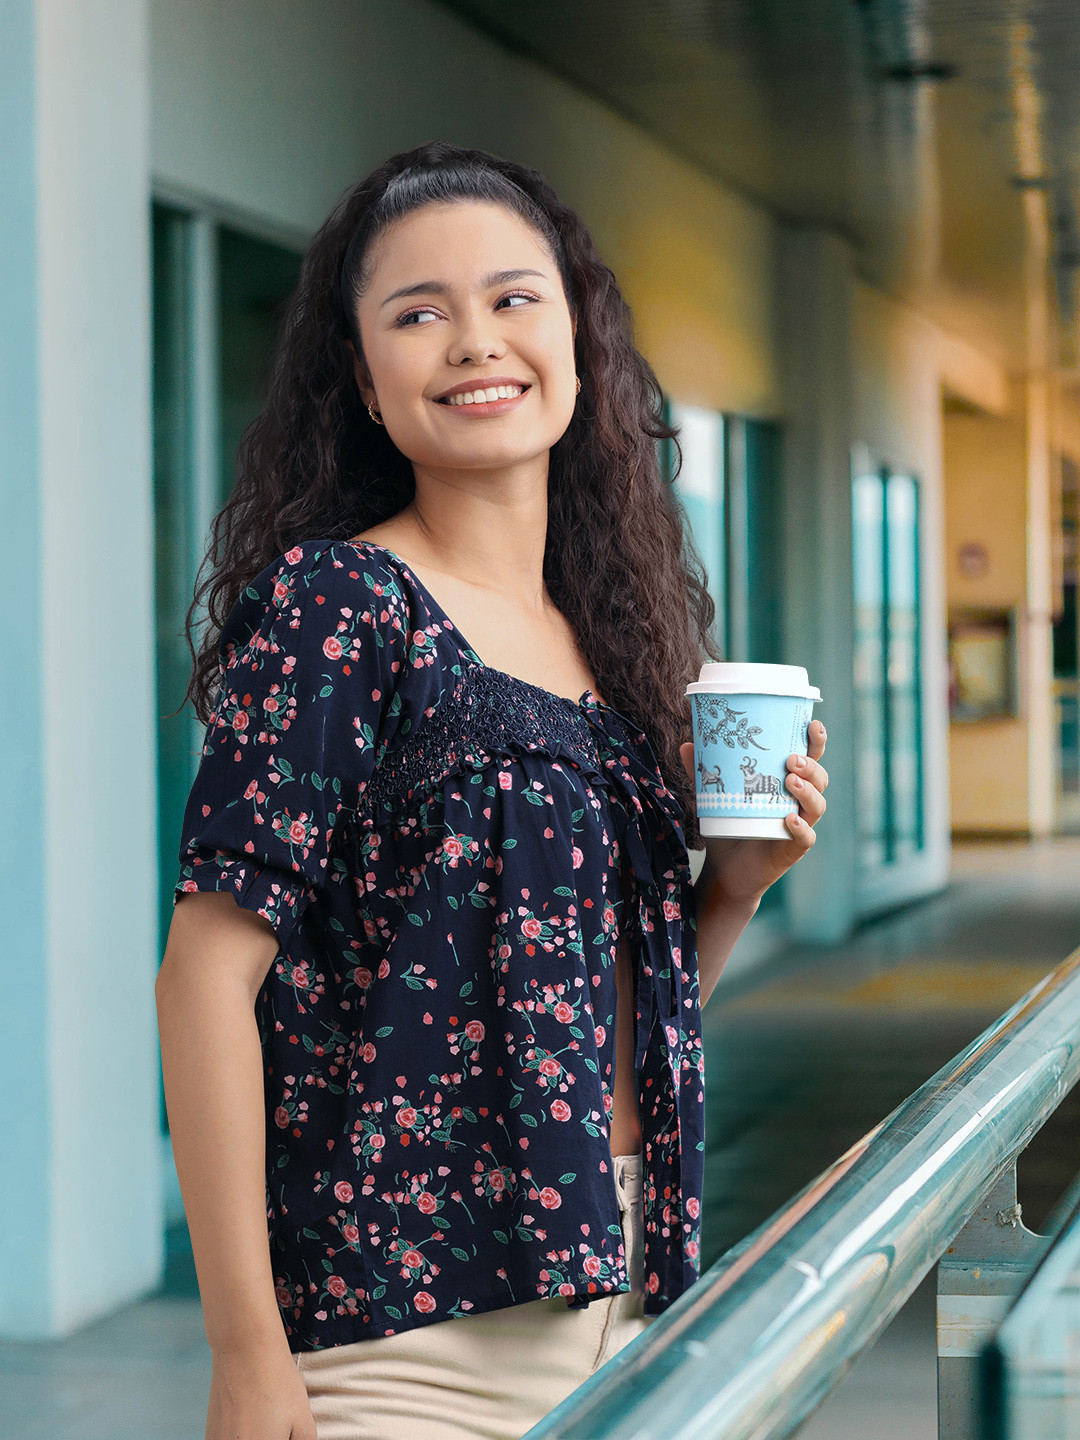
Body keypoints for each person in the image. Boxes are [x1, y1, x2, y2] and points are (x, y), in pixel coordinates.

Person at [155, 140, 828, 1440]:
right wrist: (246, 1352)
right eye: (420, 312)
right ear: (365, 380)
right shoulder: (344, 607)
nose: (475, 339)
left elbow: (577, 1035)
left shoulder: (606, 645)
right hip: (410, 1349)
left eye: (515, 297)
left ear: (577, 341)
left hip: (623, 1297)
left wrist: (735, 891)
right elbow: (202, 981)